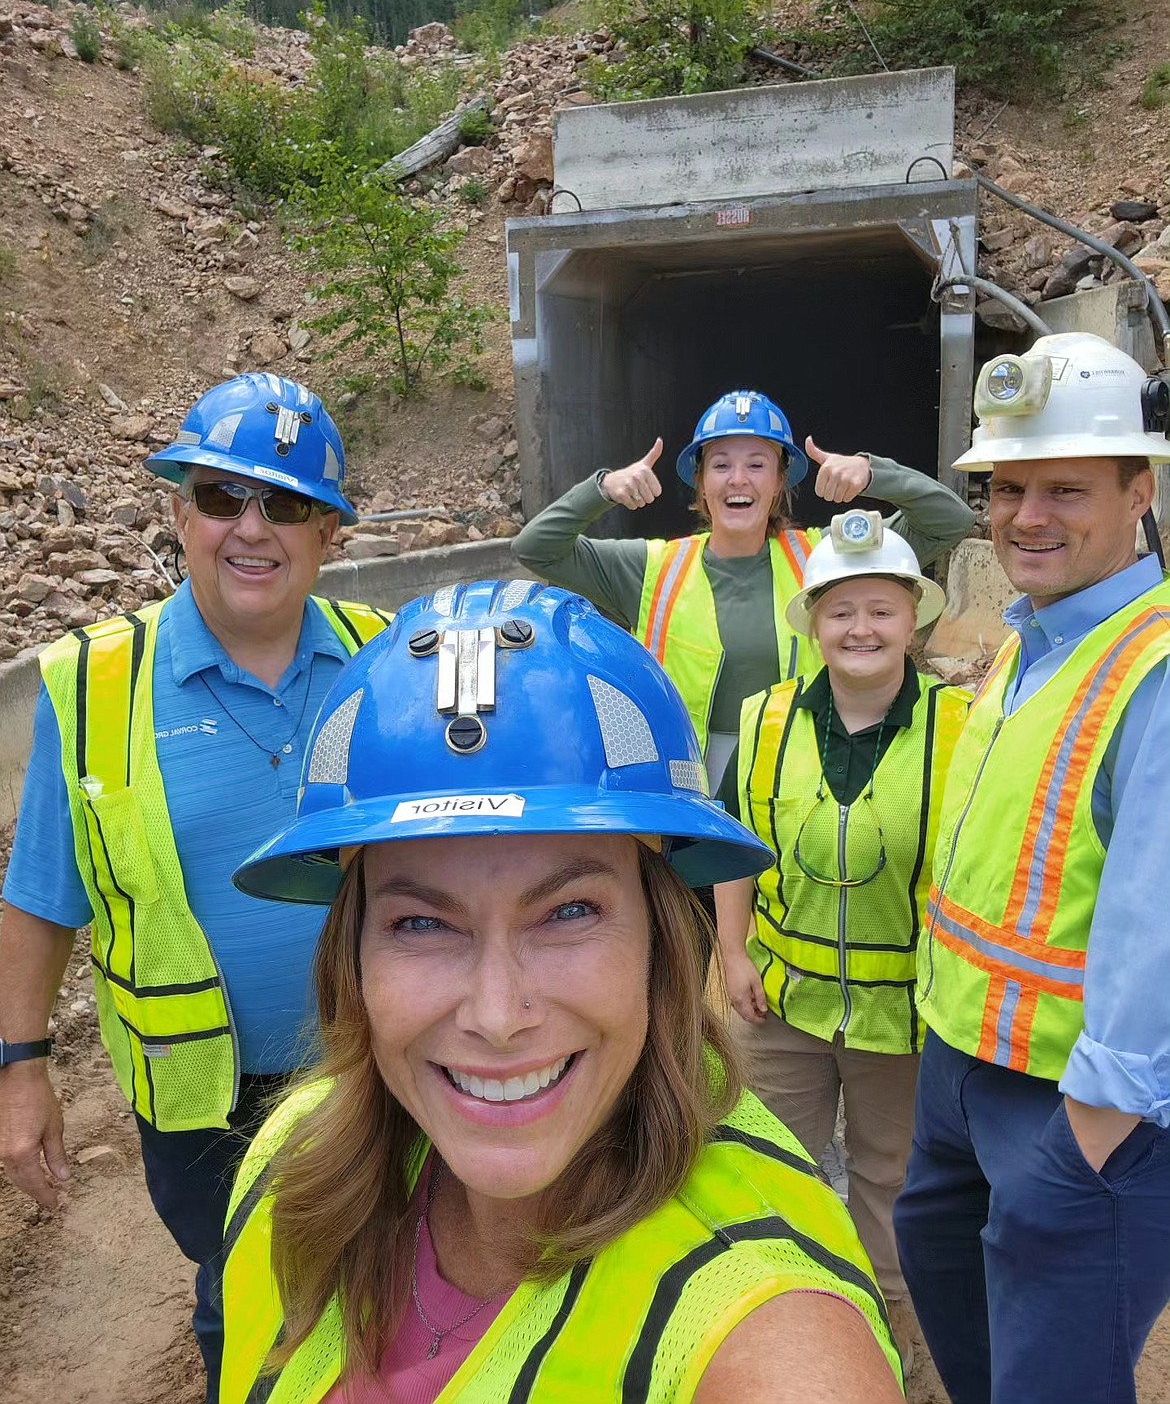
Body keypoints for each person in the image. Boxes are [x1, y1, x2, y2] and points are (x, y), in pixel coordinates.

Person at [219, 579, 905, 1404]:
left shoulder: (766, 1332)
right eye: (420, 925)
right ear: (351, 958)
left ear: (662, 940)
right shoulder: (290, 1163)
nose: (499, 1016)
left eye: (569, 911)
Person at [0, 373, 390, 1402]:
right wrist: (22, 1066)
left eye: (287, 504)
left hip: (375, 1064)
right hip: (203, 1101)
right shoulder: (92, 688)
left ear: (328, 535)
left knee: (390, 1283)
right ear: (180, 513)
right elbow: (42, 897)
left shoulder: (380, 662)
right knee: (244, 1306)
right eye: (222, 497)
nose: (251, 528)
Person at [892, 332, 1170, 1404]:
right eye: (1007, 488)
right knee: (981, 1354)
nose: (1026, 516)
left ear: (1139, 491)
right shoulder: (1031, 638)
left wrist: (1086, 1145)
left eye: (1066, 488)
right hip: (962, 1071)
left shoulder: (1150, 666)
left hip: (1077, 1109)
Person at [712, 513, 969, 1374]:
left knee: (891, 1180)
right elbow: (739, 845)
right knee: (772, 1163)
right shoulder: (765, 718)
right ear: (814, 622)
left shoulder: (960, 726)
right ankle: (779, 1330)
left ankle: (890, 1339)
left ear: (913, 620)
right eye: (841, 610)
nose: (861, 629)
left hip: (904, 1018)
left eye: (882, 610)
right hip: (781, 1000)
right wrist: (732, 951)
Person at [513, 387, 974, 791]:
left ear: (778, 484)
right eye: (721, 465)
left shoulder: (825, 559)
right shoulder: (652, 567)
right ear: (702, 483)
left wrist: (875, 474)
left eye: (757, 464)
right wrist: (603, 488)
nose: (739, 478)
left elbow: (950, 521)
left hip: (796, 767)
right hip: (687, 774)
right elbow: (537, 548)